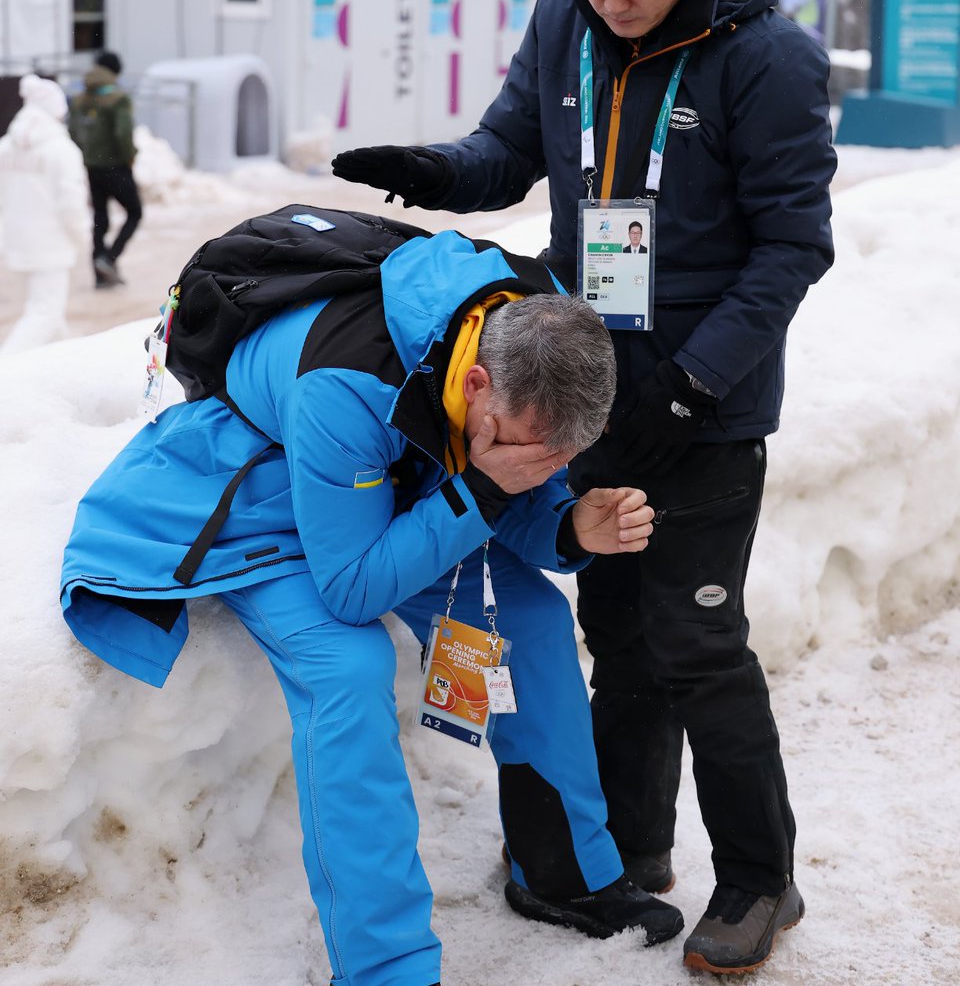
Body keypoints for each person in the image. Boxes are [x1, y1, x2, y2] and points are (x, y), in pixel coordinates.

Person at [331, 0, 836, 975]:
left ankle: (763, 881)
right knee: (616, 630)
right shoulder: (565, 21)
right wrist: (431, 171)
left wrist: (694, 385)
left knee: (700, 642)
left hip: (709, 411)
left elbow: (792, 252)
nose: (614, 2)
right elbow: (506, 151)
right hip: (587, 392)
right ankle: (636, 844)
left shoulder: (766, 60)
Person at [60, 225, 685, 986]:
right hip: (268, 488)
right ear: (478, 385)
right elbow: (352, 587)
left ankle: (560, 869)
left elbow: (494, 472)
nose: (542, 467)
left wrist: (562, 518)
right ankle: (386, 968)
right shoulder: (344, 384)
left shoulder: (527, 329)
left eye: (558, 457)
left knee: (534, 619)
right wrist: (485, 488)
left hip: (400, 484)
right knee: (349, 669)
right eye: (529, 449)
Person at [0, 74, 90, 356]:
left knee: (47, 308)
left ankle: (65, 359)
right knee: (44, 313)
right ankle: (7, 367)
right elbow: (71, 204)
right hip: (51, 243)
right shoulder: (62, 150)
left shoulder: (5, 146)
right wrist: (82, 237)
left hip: (17, 239)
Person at [68, 50, 142, 288]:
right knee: (134, 211)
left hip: (92, 166)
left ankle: (100, 275)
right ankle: (108, 259)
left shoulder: (80, 98)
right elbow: (123, 132)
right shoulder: (118, 98)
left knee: (100, 218)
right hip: (116, 166)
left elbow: (73, 131)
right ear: (115, 71)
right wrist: (129, 157)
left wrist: (88, 153)